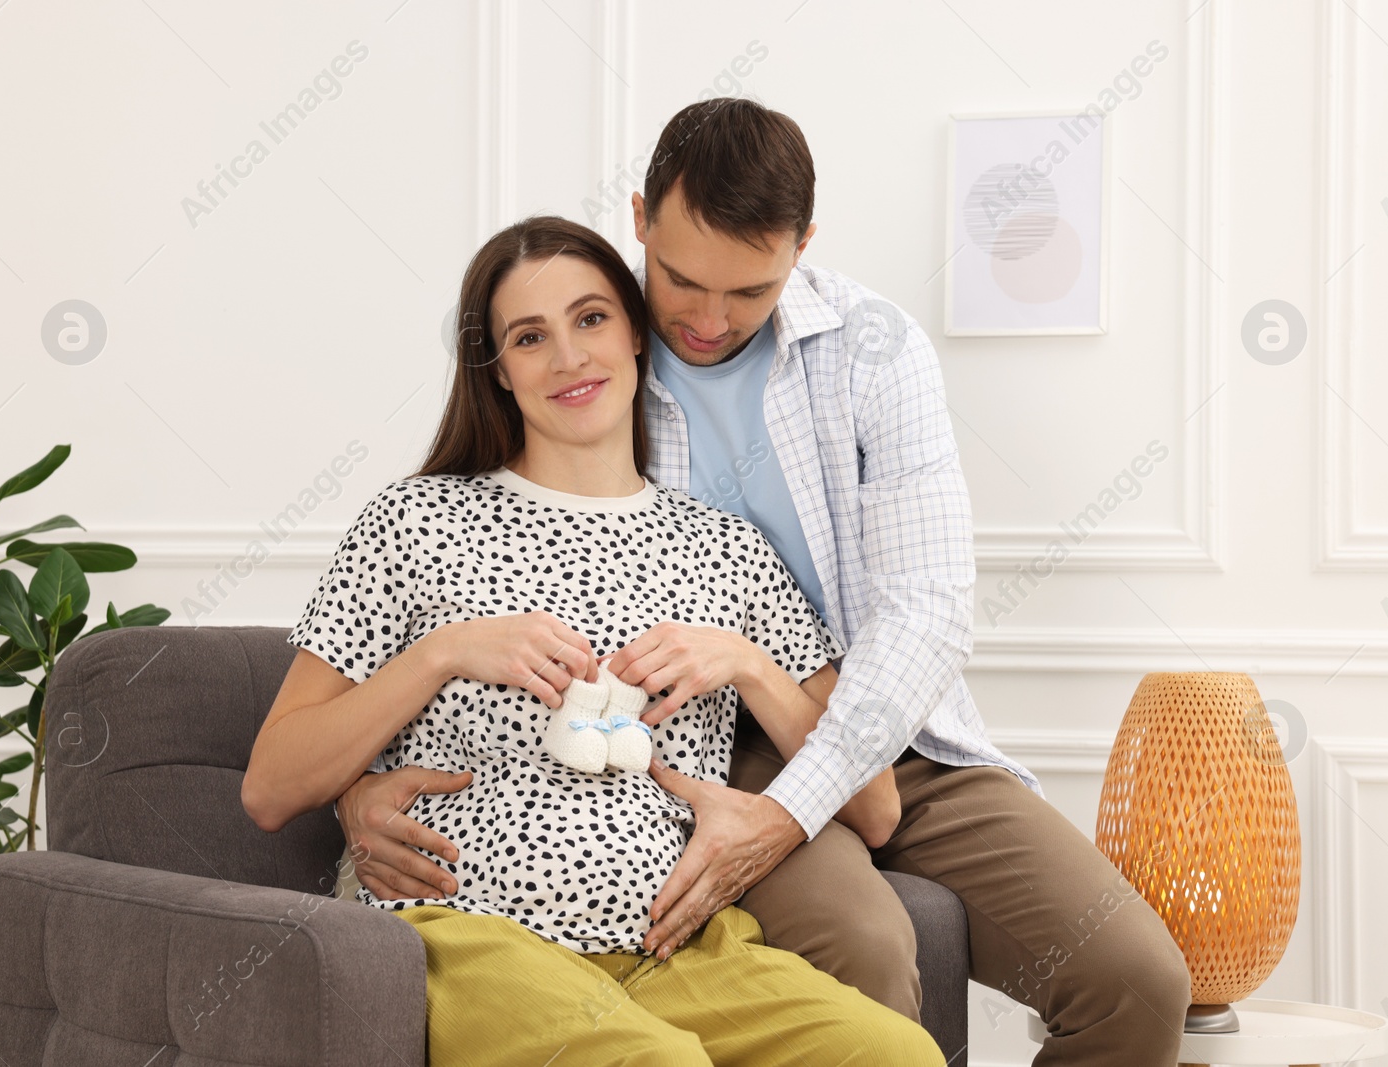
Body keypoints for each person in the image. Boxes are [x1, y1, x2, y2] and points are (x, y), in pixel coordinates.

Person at [336, 98, 1193, 1066]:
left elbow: (926, 605)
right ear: (640, 220)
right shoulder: (593, 347)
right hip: (696, 748)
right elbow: (461, 585)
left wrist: (800, 795)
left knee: (1137, 981)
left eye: (749, 290)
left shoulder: (875, 346)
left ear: (803, 247)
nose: (706, 320)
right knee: (865, 954)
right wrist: (357, 786)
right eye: (680, 280)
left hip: (890, 727)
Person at [243, 214, 945, 1066]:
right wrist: (441, 653)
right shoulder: (415, 520)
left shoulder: (727, 548)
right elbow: (271, 787)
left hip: (672, 945)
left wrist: (750, 665)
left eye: (591, 319)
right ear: (498, 371)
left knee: (893, 1055)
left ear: (638, 335)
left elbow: (876, 807)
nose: (569, 357)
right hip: (472, 935)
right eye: (530, 336)